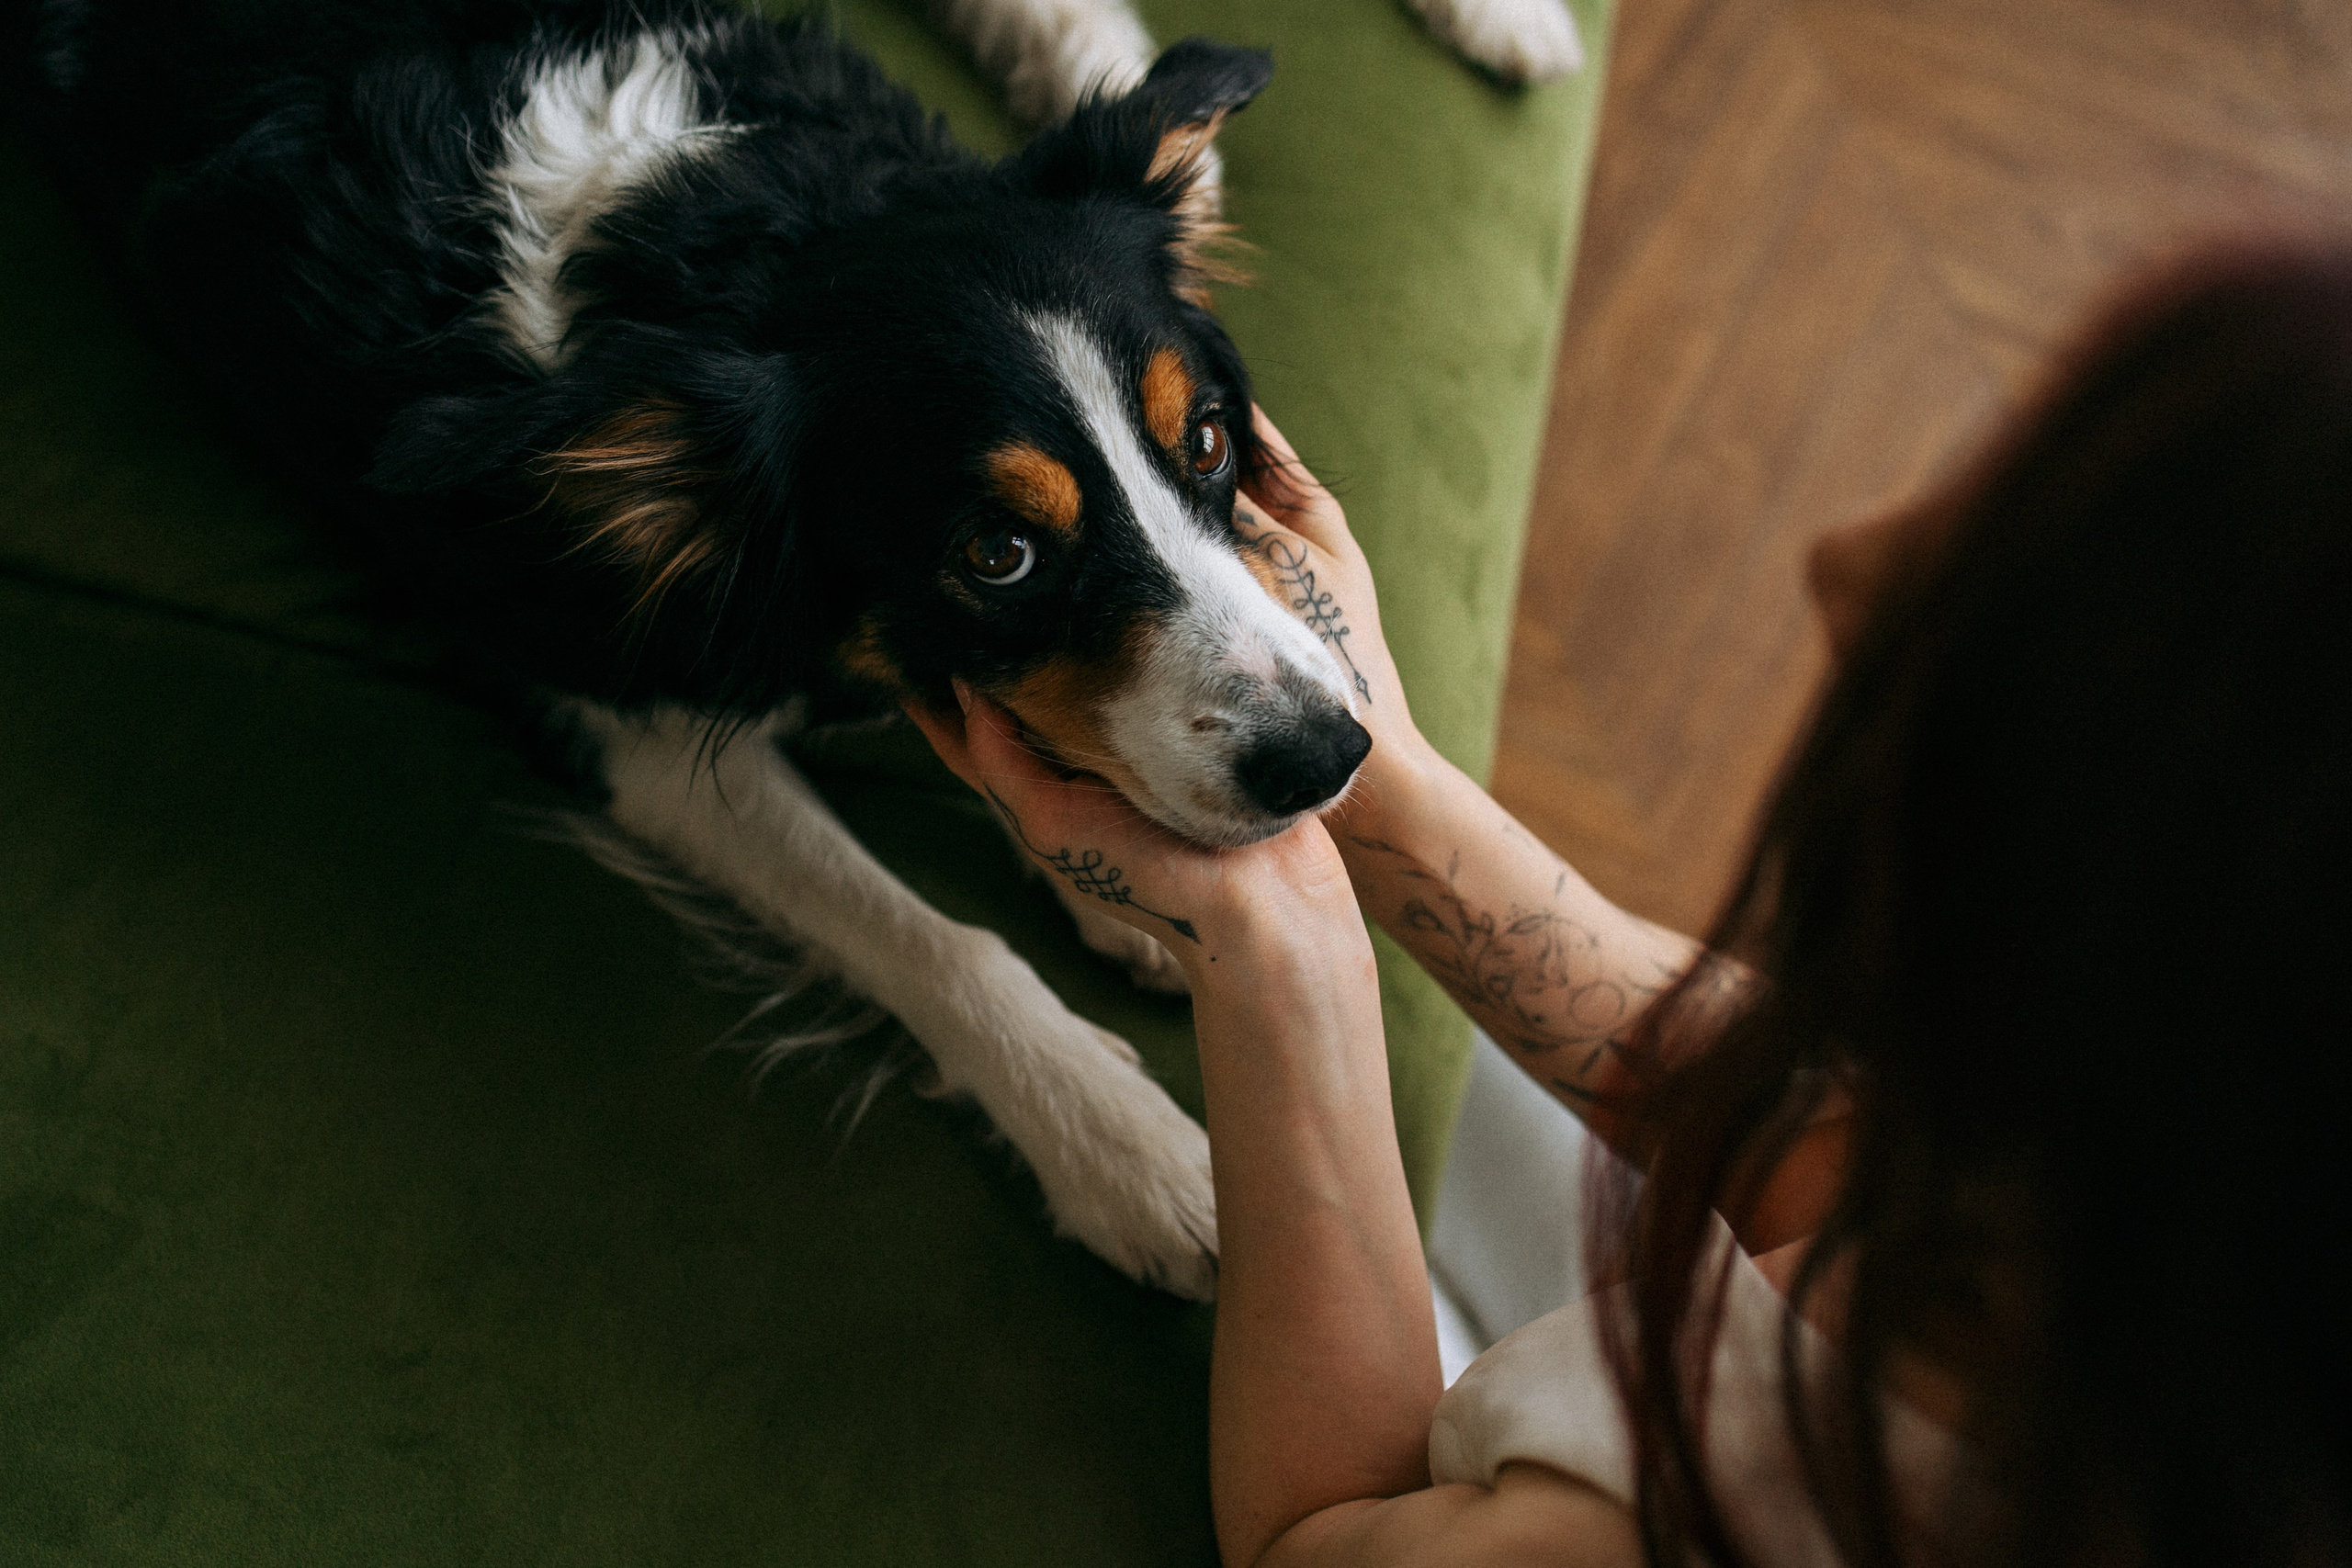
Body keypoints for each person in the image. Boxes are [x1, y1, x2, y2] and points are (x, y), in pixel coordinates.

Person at [904, 251, 2352, 1567]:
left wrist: (1283, 948)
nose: (1844, 565)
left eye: (2000, 585)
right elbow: (1832, 1136)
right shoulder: (2212, 1180)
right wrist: (1384, 788)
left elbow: (1317, 1544)